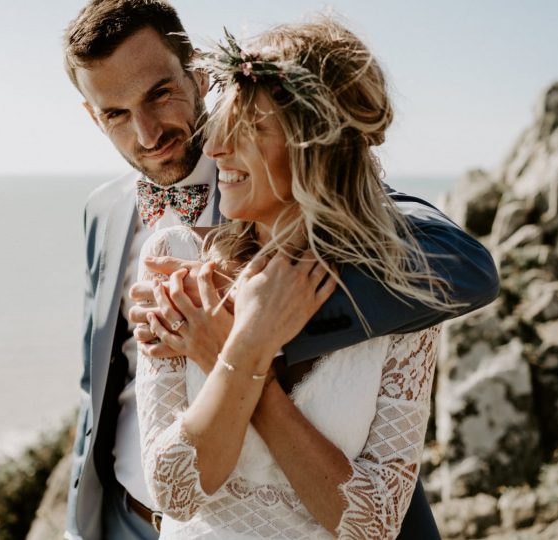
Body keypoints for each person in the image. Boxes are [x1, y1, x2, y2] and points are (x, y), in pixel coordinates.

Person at [54, 1, 499, 539]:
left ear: (196, 73)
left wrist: (245, 323)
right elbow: (97, 379)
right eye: (115, 115)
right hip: (126, 515)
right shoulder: (103, 211)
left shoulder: (275, 182)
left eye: (159, 94)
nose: (147, 134)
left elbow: (464, 267)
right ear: (91, 114)